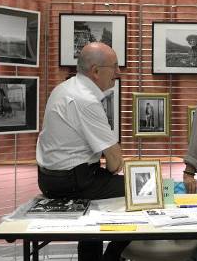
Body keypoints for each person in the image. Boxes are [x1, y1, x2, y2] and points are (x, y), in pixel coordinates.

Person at [36, 42, 128, 261]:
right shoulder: (86, 100)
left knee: (96, 198)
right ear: (96, 71)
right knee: (141, 193)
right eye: (114, 67)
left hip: (48, 179)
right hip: (74, 180)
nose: (117, 73)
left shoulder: (64, 87)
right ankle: (112, 258)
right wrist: (114, 161)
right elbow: (115, 162)